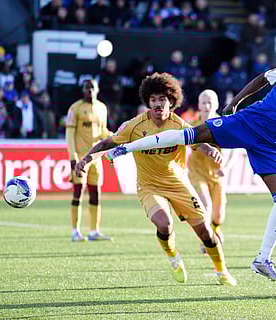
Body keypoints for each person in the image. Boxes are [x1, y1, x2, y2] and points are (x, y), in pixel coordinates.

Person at [80, 45, 276, 283]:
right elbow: (262, 79)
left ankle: (262, 260)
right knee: (190, 134)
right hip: (246, 123)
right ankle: (126, 149)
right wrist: (235, 103)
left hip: (270, 145)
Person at [75, 73, 237, 286]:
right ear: (148, 102)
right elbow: (107, 144)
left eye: (162, 99)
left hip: (178, 184)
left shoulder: (179, 125)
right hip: (149, 186)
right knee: (164, 224)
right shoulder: (134, 126)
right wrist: (85, 160)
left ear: (172, 101)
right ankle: (173, 257)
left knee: (205, 231)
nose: (158, 104)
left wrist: (209, 151)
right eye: (153, 100)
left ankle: (222, 271)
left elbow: (198, 141)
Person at [188, 89, 238, 252]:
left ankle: (216, 229)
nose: (207, 105)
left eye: (210, 102)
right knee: (205, 205)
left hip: (217, 175)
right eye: (204, 102)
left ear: (216, 104)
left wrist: (226, 167)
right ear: (199, 105)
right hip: (197, 173)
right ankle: (206, 241)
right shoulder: (192, 126)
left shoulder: (224, 124)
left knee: (218, 215)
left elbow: (234, 149)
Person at [66, 79, 113, 242]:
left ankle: (94, 231)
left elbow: (102, 131)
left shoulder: (102, 108)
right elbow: (69, 135)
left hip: (96, 157)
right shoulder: (75, 108)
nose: (90, 91)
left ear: (97, 90)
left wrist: (113, 137)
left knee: (96, 194)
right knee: (78, 192)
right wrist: (73, 157)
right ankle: (75, 231)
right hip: (80, 157)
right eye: (87, 89)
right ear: (82, 91)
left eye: (92, 88)